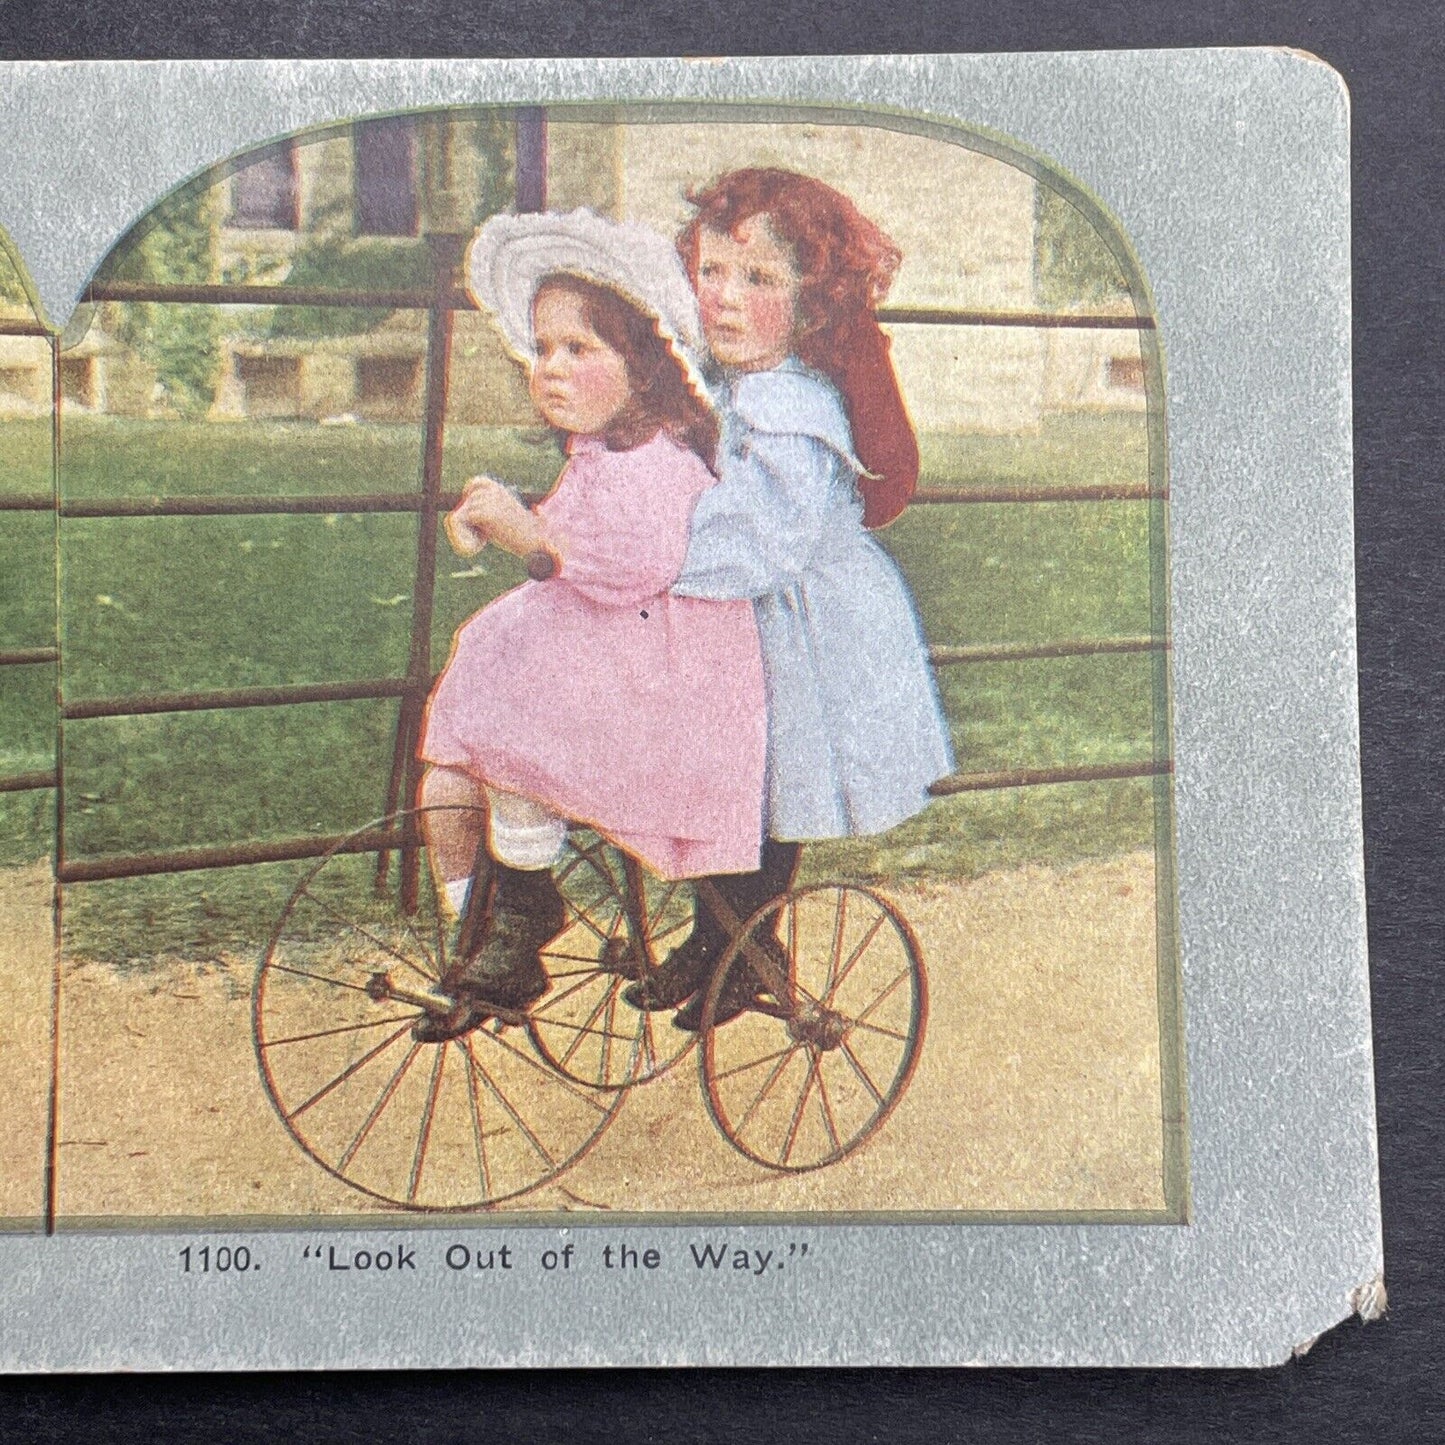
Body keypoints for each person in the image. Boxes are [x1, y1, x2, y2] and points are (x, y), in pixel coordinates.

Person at [414, 209, 767, 1042]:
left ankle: (520, 915)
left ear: (643, 368)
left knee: (521, 732)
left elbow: (625, 568)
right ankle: (489, 930)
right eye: (542, 350)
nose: (552, 369)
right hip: (593, 658)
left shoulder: (662, 463)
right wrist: (502, 523)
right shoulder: (600, 455)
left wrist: (526, 536)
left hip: (659, 688)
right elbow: (567, 545)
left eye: (580, 350)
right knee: (446, 781)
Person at [623, 167, 955, 1031]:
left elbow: (760, 543)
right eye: (710, 272)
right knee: (718, 774)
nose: (724, 299)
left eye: (759, 280)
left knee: (772, 782)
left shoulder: (794, 409)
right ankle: (720, 937)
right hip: (729, 609)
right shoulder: (717, 385)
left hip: (799, 619)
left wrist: (648, 560)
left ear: (811, 308)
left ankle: (748, 947)